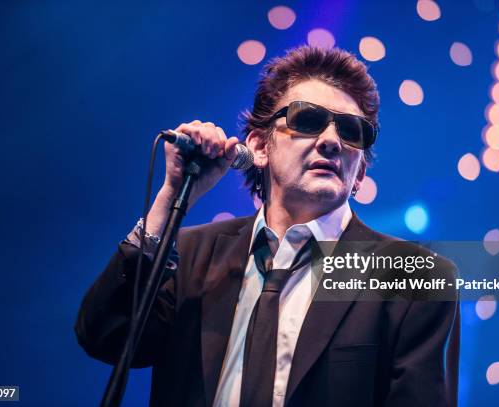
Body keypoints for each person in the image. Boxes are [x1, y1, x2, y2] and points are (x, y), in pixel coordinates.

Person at [75, 45, 460, 407]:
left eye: (350, 131)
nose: (331, 140)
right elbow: (105, 335)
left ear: (360, 174)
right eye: (307, 120)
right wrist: (173, 196)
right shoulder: (192, 255)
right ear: (260, 146)